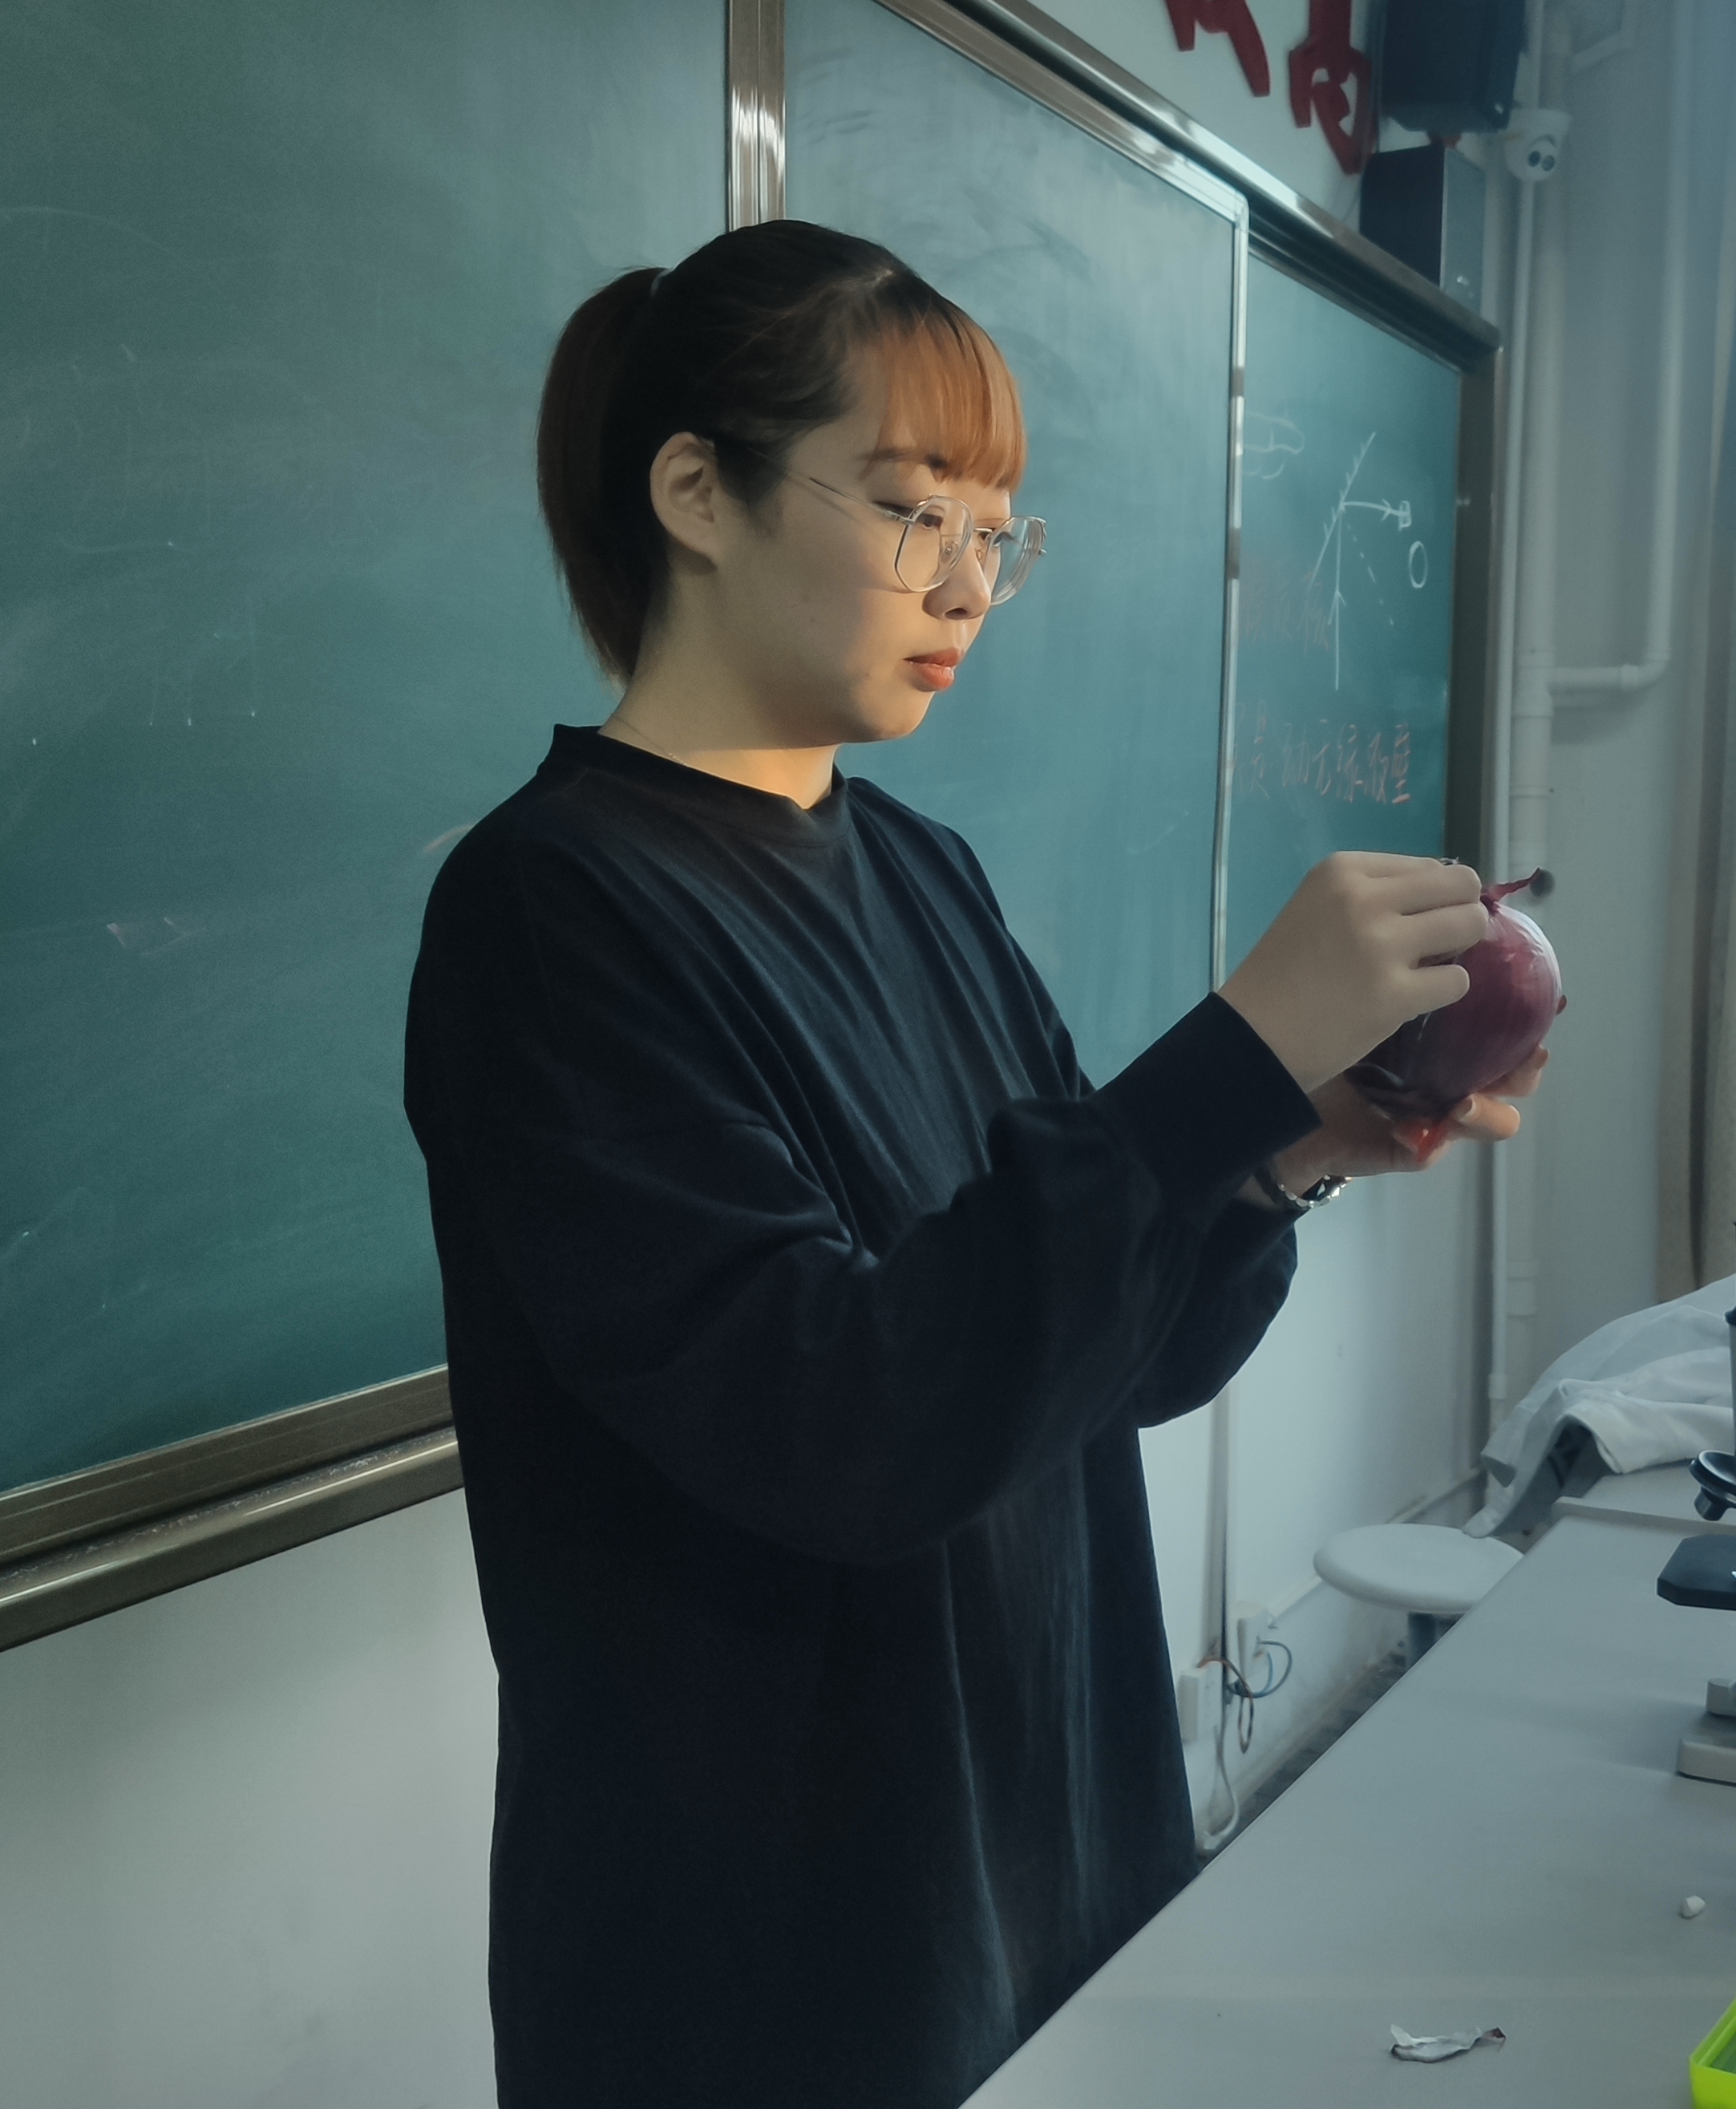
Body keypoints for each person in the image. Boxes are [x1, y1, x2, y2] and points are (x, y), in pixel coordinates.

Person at [402, 221, 1540, 2107]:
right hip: (774, 1955)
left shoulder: (920, 871)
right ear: (696, 492)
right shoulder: (552, 909)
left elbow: (1111, 1361)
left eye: (997, 531)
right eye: (910, 509)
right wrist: (1226, 1059)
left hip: (1045, 1857)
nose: (966, 583)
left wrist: (1273, 1155)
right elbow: (845, 1425)